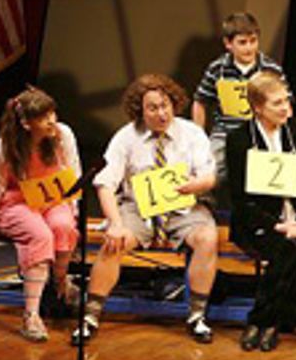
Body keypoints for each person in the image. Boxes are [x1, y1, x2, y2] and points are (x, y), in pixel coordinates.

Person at [78, 74, 218, 344]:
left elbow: (209, 176)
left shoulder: (192, 133)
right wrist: (115, 223)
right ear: (140, 111)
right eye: (153, 108)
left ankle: (197, 316)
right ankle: (90, 316)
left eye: (165, 105)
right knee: (114, 243)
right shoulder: (126, 137)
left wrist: (195, 185)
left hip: (182, 207)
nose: (161, 113)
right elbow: (105, 184)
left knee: (207, 238)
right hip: (138, 209)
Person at [0, 87, 81, 343]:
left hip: (53, 198)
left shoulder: (63, 134)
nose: (51, 121)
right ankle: (31, 316)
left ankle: (59, 282)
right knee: (40, 235)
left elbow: (73, 172)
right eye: (44, 117)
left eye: (52, 114)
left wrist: (73, 210)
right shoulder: (5, 146)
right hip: (18, 201)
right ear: (27, 124)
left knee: (63, 226)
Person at [226, 70, 296, 352]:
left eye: (286, 101)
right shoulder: (239, 140)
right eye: (277, 103)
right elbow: (241, 199)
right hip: (259, 220)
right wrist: (277, 225)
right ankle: (259, 321)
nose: (285, 108)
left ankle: (277, 322)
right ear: (258, 107)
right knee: (287, 250)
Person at [191, 11, 285, 204]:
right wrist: (198, 137)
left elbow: (285, 102)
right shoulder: (217, 69)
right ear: (228, 43)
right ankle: (204, 202)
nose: (249, 47)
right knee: (209, 164)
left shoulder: (270, 69)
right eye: (242, 42)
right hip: (226, 131)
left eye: (253, 41)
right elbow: (200, 101)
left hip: (260, 130)